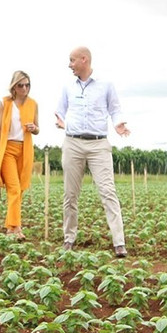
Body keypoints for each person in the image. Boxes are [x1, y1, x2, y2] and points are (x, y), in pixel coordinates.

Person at [55, 46, 130, 258]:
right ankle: (69, 239)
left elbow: (115, 109)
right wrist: (61, 122)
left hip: (99, 145)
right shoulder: (67, 87)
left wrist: (118, 124)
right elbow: (59, 111)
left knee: (108, 192)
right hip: (73, 143)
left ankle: (119, 243)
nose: (69, 65)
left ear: (83, 60)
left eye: (72, 60)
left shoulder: (105, 86)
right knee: (70, 194)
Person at [0, 71, 39, 239]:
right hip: (7, 149)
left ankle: (11, 226)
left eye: (27, 85)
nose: (24, 88)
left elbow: (38, 128)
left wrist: (34, 129)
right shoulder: (5, 103)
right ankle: (15, 228)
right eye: (20, 85)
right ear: (14, 87)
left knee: (20, 189)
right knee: (14, 188)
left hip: (25, 150)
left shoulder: (33, 104)